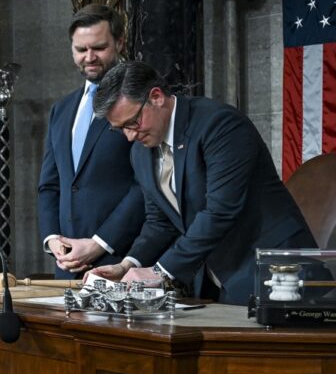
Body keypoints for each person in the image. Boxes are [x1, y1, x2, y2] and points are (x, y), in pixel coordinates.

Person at [89, 61, 317, 304]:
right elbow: (160, 222)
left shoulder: (220, 125)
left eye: (133, 122)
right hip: (218, 280)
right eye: (120, 128)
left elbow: (221, 210)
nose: (130, 135)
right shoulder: (141, 152)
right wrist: (128, 265)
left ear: (156, 97)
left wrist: (160, 272)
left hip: (277, 272)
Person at [38, 5, 144, 278]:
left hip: (121, 261)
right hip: (67, 266)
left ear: (119, 42)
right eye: (80, 50)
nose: (89, 57)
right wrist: (52, 239)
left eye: (98, 47)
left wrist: (99, 243)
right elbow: (50, 185)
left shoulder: (139, 100)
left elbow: (147, 185)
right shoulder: (60, 110)